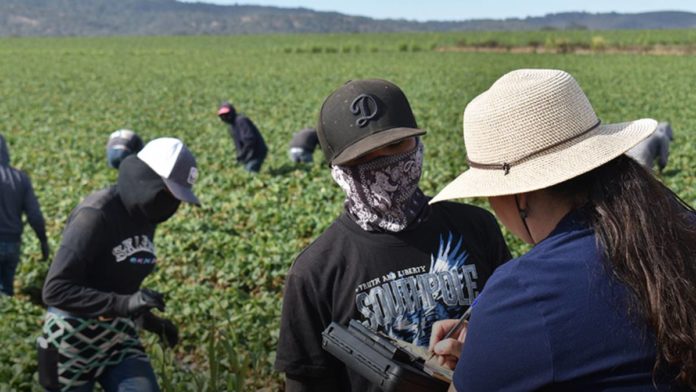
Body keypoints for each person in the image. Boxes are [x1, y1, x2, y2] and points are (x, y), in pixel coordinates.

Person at [429, 69, 696, 391]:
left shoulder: (525, 292)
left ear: (518, 195)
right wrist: (497, 340)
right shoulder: (678, 227)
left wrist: (496, 337)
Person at [275, 79, 511, 392]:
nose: (384, 163)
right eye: (362, 158)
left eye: (395, 146)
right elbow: (306, 382)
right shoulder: (315, 270)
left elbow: (516, 329)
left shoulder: (477, 228)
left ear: (417, 145)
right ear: (337, 170)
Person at [39, 137, 200, 391]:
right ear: (146, 179)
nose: (172, 205)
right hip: (70, 339)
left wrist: (154, 323)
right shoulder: (96, 215)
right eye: (168, 193)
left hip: (118, 338)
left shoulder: (146, 216)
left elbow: (117, 285)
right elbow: (55, 290)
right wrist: (125, 304)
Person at [0, 134, 49, 296]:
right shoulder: (20, 178)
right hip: (13, 243)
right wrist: (43, 240)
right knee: (6, 290)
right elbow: (34, 215)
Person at [217, 101, 268, 172]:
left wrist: (243, 154)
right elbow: (238, 143)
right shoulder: (232, 126)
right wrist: (240, 156)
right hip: (248, 154)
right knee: (248, 171)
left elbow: (250, 139)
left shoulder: (241, 121)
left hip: (256, 152)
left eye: (227, 114)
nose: (225, 117)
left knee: (250, 172)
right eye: (222, 115)